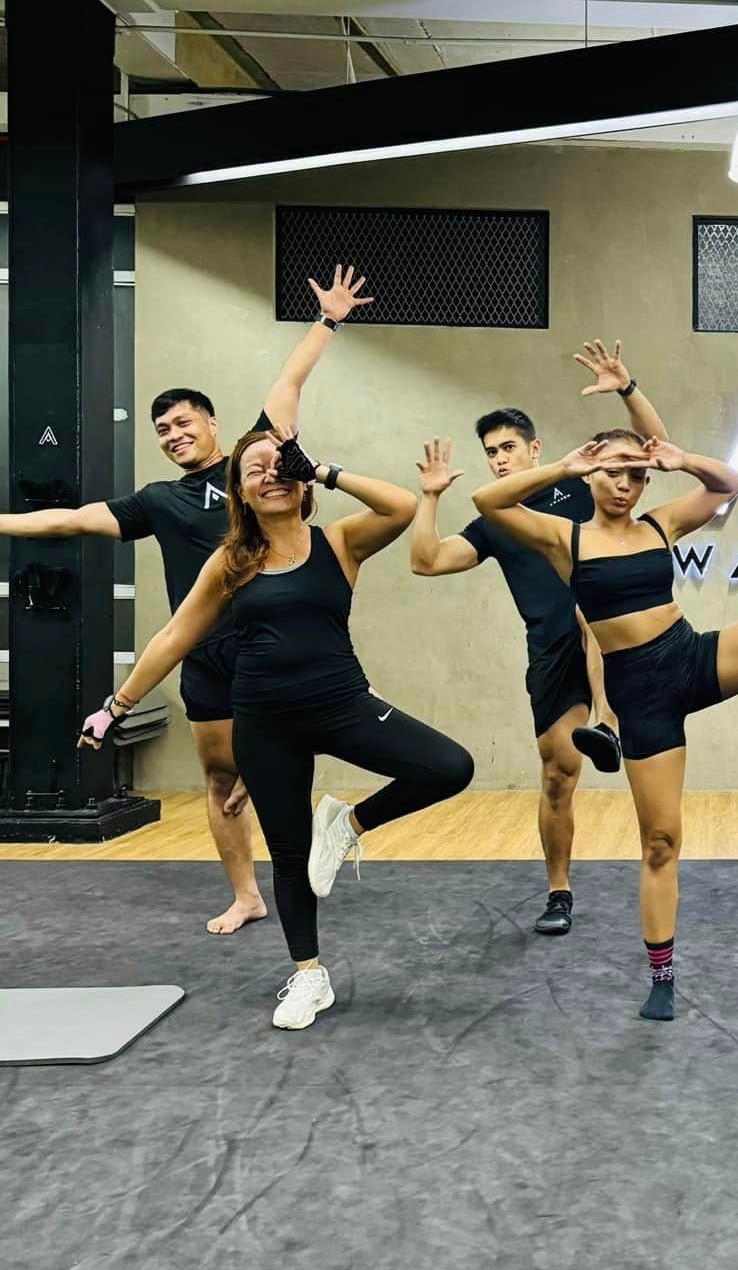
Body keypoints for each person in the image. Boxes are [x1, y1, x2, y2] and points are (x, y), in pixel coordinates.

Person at [2, 262, 370, 934]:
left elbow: (288, 383)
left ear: (211, 423)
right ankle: (246, 895)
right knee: (220, 779)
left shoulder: (253, 468)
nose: (174, 436)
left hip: (270, 646)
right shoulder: (157, 500)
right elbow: (72, 520)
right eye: (163, 431)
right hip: (206, 656)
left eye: (182, 422)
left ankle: (300, 872)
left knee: (276, 769)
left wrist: (328, 320)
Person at [81, 426, 474, 1031]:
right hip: (265, 724)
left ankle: (347, 824)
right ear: (239, 491)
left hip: (343, 703)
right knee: (290, 854)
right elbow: (175, 636)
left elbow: (399, 506)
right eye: (255, 470)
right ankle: (309, 975)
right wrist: (117, 706)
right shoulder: (230, 562)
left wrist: (320, 468)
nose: (271, 475)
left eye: (281, 465)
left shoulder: (339, 541)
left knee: (449, 766)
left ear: (301, 478)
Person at [472, 428, 738, 1021]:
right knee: (661, 842)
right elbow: (488, 502)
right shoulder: (566, 537)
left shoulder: (659, 524)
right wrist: (565, 466)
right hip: (641, 696)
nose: (625, 484)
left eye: (637, 474)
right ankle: (662, 977)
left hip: (691, 658)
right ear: (591, 475)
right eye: (613, 472)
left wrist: (681, 459)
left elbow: (730, 484)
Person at [409, 339, 669, 937]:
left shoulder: (579, 487)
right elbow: (427, 561)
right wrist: (429, 497)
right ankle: (558, 890)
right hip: (550, 652)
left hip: (614, 635)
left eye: (509, 448)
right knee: (557, 774)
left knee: (589, 612)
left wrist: (628, 389)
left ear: (535, 448)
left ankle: (608, 721)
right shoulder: (496, 520)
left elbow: (654, 453)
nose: (500, 460)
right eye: (491, 453)